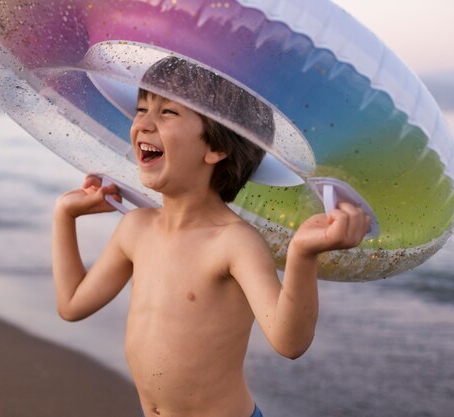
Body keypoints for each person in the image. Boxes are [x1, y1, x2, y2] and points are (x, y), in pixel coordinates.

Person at [52, 57, 370, 417]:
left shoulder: (233, 243)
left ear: (217, 147)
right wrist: (65, 215)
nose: (143, 123)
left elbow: (289, 342)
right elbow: (72, 304)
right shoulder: (135, 228)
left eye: (168, 112)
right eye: (142, 108)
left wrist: (302, 255)